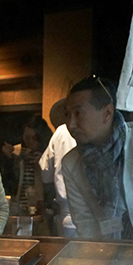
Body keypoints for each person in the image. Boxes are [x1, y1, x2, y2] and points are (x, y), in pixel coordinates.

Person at [62, 76, 133, 240]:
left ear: (107, 113)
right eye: (67, 115)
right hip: (107, 252)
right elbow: (84, 222)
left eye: (78, 113)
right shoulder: (71, 163)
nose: (71, 124)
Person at [39, 99, 78, 237]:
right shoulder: (96, 131)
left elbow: (45, 172)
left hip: (68, 213)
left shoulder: (61, 132)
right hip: (99, 215)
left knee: (70, 256)